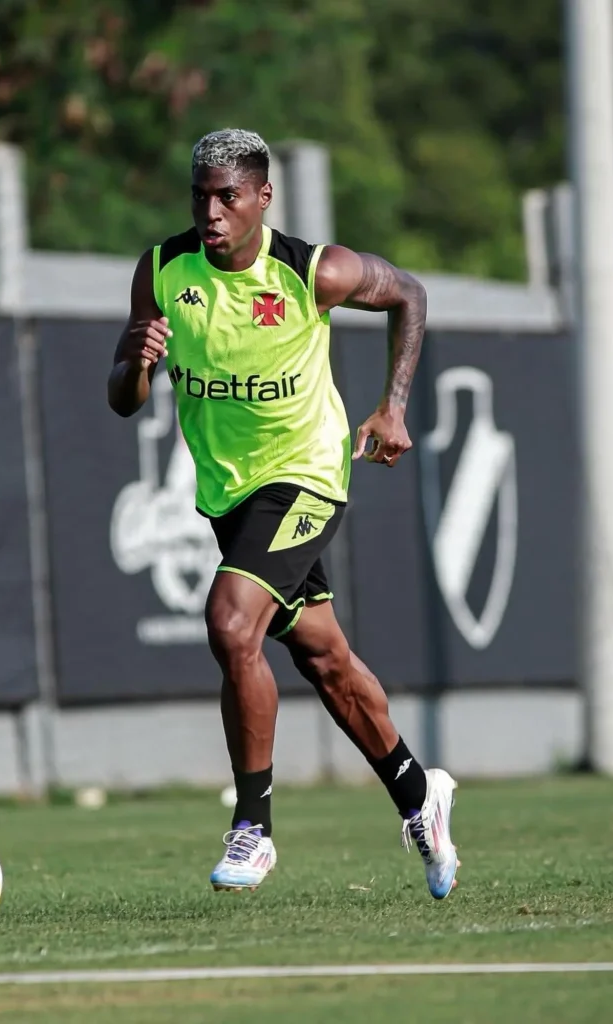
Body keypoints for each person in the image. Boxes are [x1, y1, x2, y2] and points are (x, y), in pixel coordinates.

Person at [107, 128, 459, 900]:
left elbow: (410, 293)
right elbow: (124, 402)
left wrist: (393, 406)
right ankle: (417, 793)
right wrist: (136, 359)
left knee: (233, 623)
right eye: (200, 194)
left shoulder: (311, 270)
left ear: (263, 197)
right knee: (325, 660)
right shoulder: (164, 270)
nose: (212, 210)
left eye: (228, 195)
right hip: (229, 495)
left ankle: (253, 828)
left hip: (306, 477)